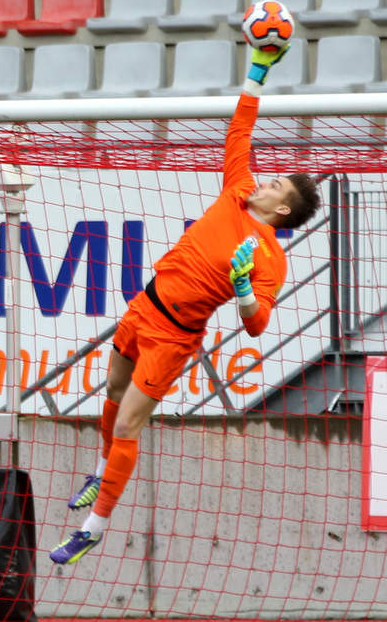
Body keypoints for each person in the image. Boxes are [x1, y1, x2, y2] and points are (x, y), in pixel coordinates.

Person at [49, 42, 322, 565]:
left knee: (128, 425)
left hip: (174, 337)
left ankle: (92, 529)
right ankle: (101, 471)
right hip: (144, 305)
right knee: (111, 390)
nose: (264, 180)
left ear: (283, 209)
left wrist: (242, 290)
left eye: (275, 184)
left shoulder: (269, 258)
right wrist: (257, 71)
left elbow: (258, 326)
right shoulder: (237, 190)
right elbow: (239, 131)